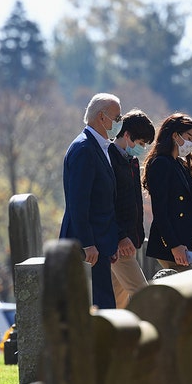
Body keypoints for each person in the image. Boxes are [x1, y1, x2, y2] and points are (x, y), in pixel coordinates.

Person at [60, 92, 122, 309]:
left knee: (103, 309)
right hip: (87, 247)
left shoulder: (99, 146)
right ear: (102, 117)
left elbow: (104, 201)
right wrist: (88, 243)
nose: (119, 123)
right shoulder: (84, 149)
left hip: (100, 244)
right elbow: (79, 202)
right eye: (117, 118)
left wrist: (110, 243)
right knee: (93, 311)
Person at [142, 112, 192, 272]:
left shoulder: (181, 165)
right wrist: (174, 245)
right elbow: (160, 210)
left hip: (185, 244)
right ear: (176, 136)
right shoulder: (161, 164)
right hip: (171, 246)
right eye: (190, 138)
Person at [107, 108, 155, 308]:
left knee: (117, 303)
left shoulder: (131, 161)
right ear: (127, 135)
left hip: (130, 241)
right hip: (119, 243)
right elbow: (107, 203)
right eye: (141, 143)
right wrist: (120, 236)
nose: (142, 148)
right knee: (144, 296)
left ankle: (113, 339)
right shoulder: (109, 158)